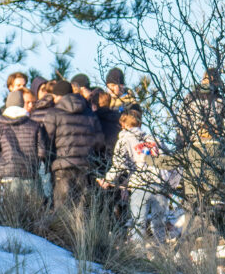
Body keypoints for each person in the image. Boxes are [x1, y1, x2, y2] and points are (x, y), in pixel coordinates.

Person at [98, 109, 167, 241]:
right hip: (160, 185)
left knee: (138, 225)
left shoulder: (125, 140)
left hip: (140, 185)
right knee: (159, 224)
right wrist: (171, 184)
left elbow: (120, 165)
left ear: (123, 124)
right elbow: (169, 162)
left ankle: (138, 256)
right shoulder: (154, 139)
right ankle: (162, 254)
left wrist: (107, 180)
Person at [41, 80, 105, 208]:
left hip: (62, 167)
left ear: (58, 96)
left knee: (63, 210)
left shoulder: (53, 113)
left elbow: (46, 142)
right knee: (83, 210)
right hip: (86, 167)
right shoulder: (89, 113)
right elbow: (100, 142)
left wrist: (49, 164)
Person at [0, 88, 48, 195]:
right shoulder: (34, 125)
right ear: (22, 103)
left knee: (11, 210)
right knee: (34, 209)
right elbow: (42, 152)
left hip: (7, 175)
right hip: (30, 174)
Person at [91, 90, 122, 174]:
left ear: (94, 105)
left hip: (99, 163)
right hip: (117, 162)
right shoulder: (119, 120)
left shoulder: (93, 120)